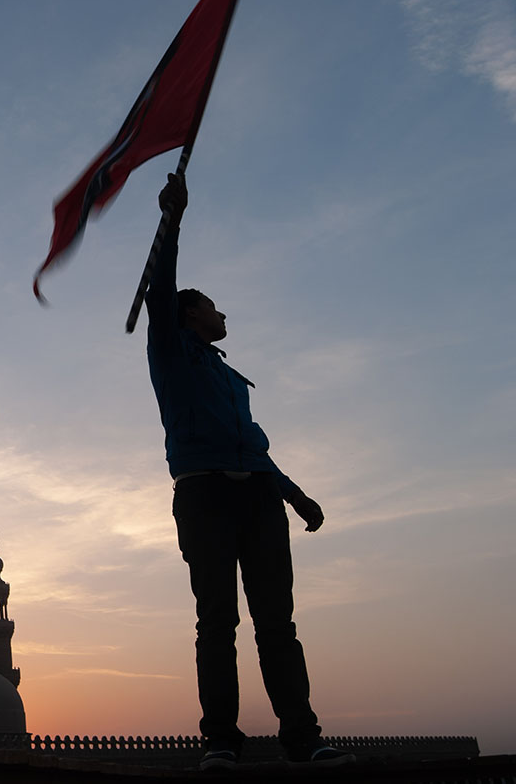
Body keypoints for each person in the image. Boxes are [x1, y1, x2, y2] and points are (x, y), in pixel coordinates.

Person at [145, 172, 353, 771]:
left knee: (276, 625)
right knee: (218, 624)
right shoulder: (173, 358)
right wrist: (171, 220)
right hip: (205, 497)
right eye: (212, 306)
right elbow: (162, 294)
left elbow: (254, 450)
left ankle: (303, 738)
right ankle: (220, 743)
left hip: (257, 498)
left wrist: (296, 496)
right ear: (190, 317)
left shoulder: (229, 379)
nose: (223, 311)